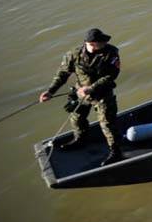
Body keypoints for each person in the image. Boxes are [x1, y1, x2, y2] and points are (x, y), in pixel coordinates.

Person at [39, 28, 123, 166]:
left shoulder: (111, 52)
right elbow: (62, 74)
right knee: (77, 118)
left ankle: (115, 151)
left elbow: (111, 76)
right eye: (100, 42)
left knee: (107, 123)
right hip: (81, 94)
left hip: (102, 93)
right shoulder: (74, 54)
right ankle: (80, 140)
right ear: (91, 43)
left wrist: (91, 88)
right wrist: (50, 91)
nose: (104, 44)